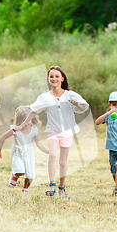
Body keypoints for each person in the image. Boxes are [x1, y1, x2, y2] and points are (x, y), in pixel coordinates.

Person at [13, 66, 89, 198]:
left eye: (57, 76)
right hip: (53, 131)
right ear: (48, 79)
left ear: (62, 78)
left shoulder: (70, 95)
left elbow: (83, 107)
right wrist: (21, 126)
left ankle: (61, 187)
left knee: (63, 162)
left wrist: (77, 104)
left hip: (67, 131)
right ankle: (51, 184)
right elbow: (33, 111)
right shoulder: (45, 97)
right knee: (52, 155)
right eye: (51, 76)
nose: (54, 79)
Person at [0, 106, 49, 193]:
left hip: (28, 154)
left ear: (32, 119)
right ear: (19, 121)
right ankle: (15, 176)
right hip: (17, 152)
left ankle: (25, 188)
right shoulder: (16, 129)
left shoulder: (34, 130)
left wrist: (49, 151)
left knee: (30, 176)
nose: (26, 122)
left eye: (28, 120)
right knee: (20, 171)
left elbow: (39, 143)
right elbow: (3, 137)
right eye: (23, 120)